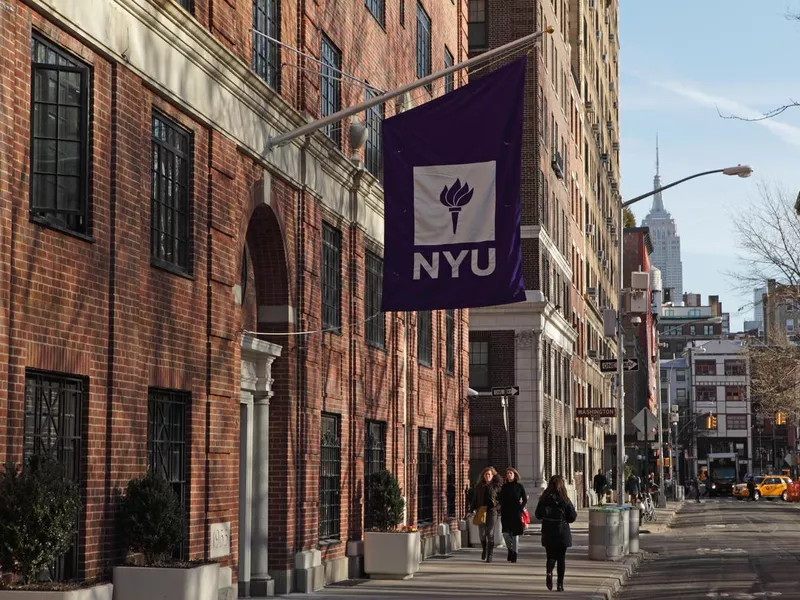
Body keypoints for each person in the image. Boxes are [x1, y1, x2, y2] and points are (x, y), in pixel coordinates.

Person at [535, 475, 577, 592]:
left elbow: (538, 514)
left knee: (550, 555)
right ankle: (560, 585)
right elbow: (572, 516)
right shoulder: (564, 499)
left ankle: (549, 572)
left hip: (548, 530)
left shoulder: (544, 499)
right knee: (561, 558)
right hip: (561, 530)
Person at [469, 467, 504, 562]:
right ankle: (484, 549)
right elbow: (474, 499)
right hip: (481, 510)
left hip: (492, 512)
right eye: (486, 474)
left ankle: (490, 555)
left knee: (490, 532)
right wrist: (471, 510)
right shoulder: (479, 486)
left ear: (493, 476)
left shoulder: (497, 486)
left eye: (489, 474)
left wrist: (496, 508)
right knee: (482, 533)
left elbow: (502, 500)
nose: (487, 476)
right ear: (483, 476)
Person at [499, 467, 527, 563]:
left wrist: (521, 508)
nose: (509, 475)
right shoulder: (504, 487)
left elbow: (525, 499)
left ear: (514, 475)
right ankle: (510, 550)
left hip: (516, 512)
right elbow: (500, 499)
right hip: (506, 512)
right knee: (505, 533)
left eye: (511, 473)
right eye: (507, 473)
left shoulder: (519, 486)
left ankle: (515, 553)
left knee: (515, 534)